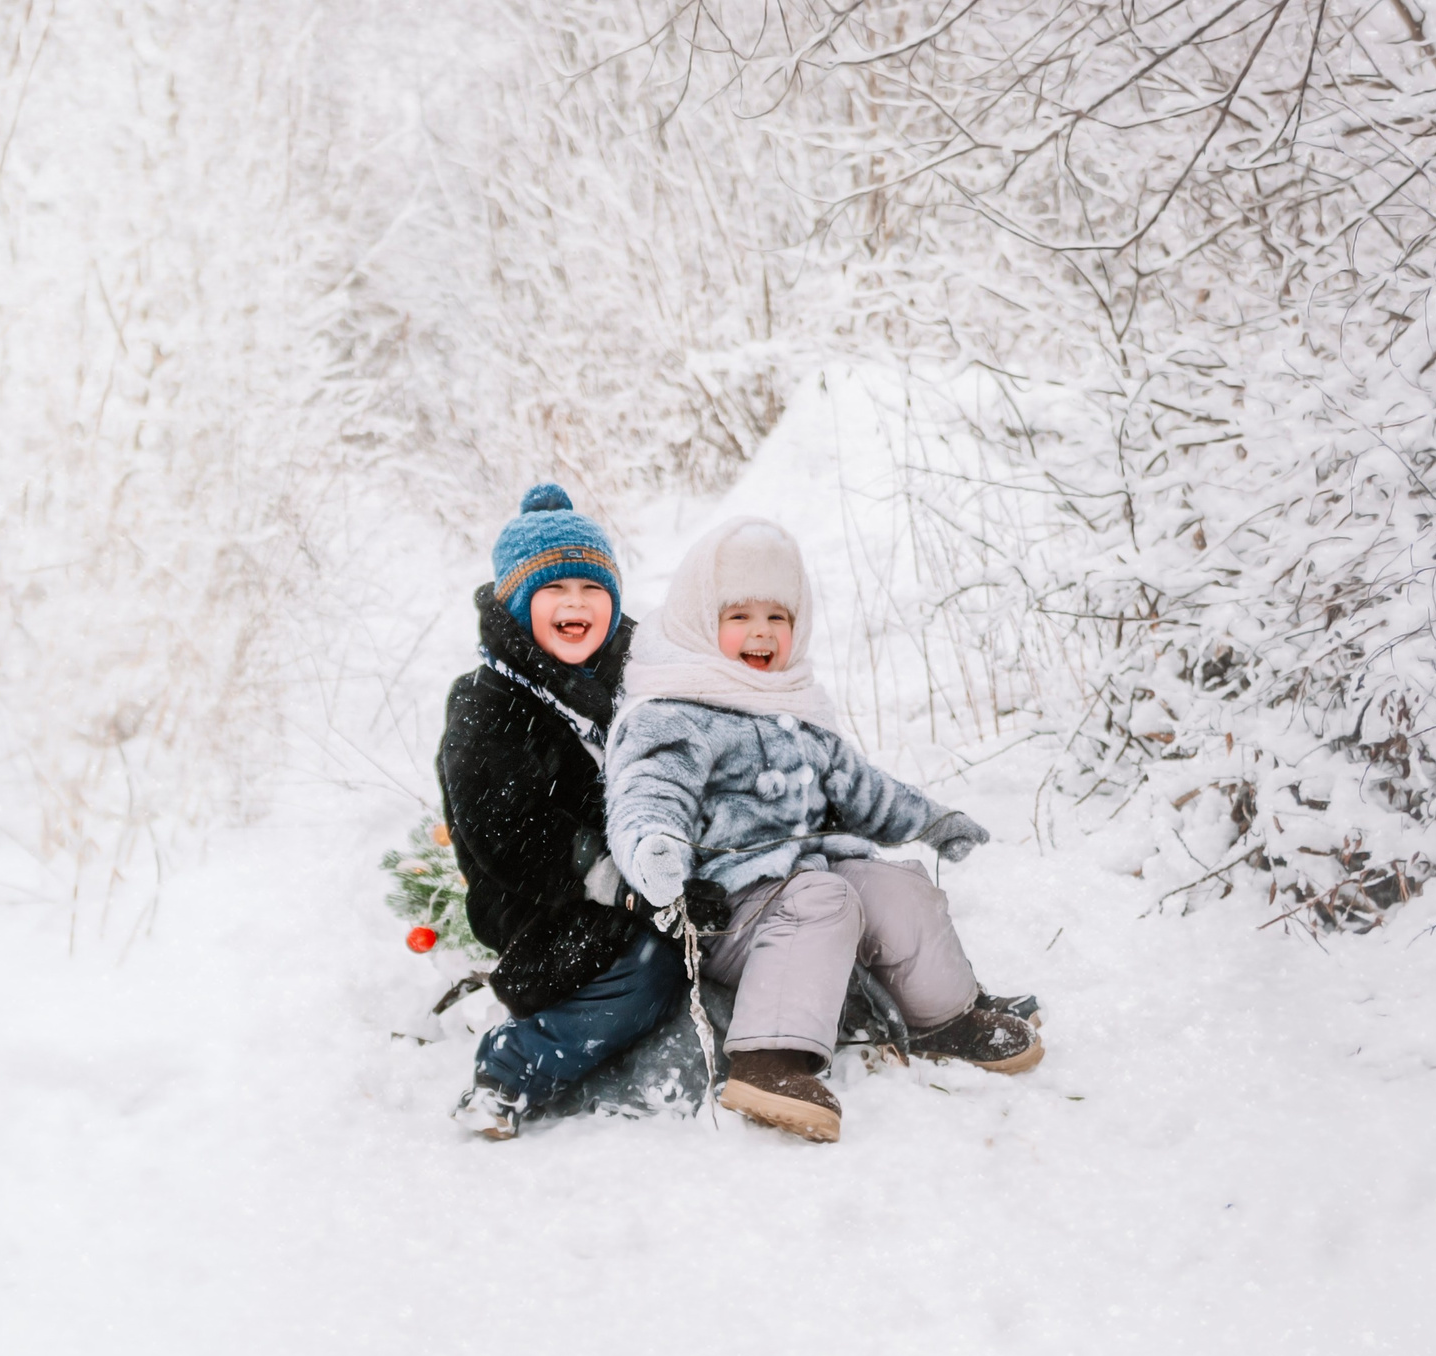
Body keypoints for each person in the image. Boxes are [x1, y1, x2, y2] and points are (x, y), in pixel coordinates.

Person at [603, 515, 1041, 1143]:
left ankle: (945, 1017)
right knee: (825, 897)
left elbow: (864, 789)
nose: (761, 632)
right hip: (722, 911)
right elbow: (647, 794)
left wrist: (933, 821)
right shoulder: (672, 712)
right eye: (739, 616)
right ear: (701, 620)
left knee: (895, 887)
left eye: (777, 617)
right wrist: (656, 850)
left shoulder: (795, 708)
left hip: (804, 890)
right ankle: (767, 1059)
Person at [437, 484, 682, 1140]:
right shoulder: (487, 703)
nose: (576, 604)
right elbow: (508, 827)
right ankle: (511, 1068)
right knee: (651, 963)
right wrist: (620, 887)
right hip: (546, 902)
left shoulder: (640, 678)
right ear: (519, 602)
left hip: (649, 872)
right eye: (555, 590)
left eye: (591, 589)